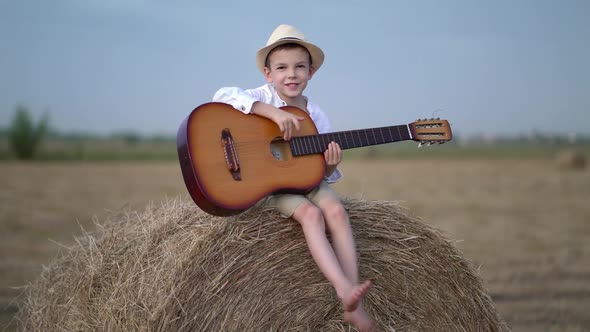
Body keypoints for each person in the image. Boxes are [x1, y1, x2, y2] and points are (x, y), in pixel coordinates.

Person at [212, 24, 375, 332]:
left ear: (311, 73)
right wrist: (271, 113)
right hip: (268, 187)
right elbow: (222, 95)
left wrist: (329, 165)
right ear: (267, 73)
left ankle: (356, 303)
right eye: (282, 68)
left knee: (337, 211)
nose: (292, 74)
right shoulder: (259, 97)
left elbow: (319, 171)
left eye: (300, 67)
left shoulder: (317, 115)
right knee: (311, 215)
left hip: (307, 181)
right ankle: (342, 289)